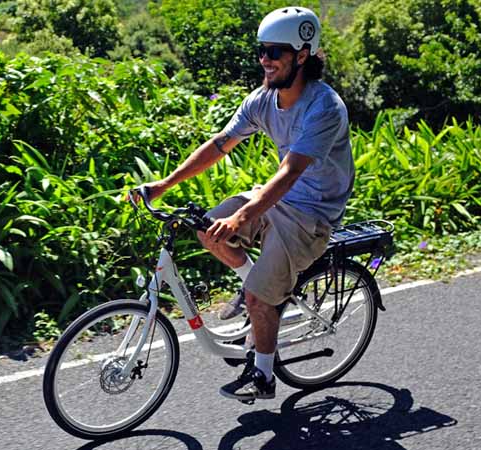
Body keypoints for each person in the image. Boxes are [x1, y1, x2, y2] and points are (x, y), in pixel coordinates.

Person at [137, 6, 354, 402]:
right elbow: (221, 144)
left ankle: (264, 374)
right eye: (261, 51)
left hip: (311, 212)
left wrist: (243, 215)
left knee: (258, 296)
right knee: (209, 230)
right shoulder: (263, 99)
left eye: (274, 52)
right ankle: (258, 287)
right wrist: (163, 185)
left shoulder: (324, 107)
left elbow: (290, 172)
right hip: (276, 199)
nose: (264, 60)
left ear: (301, 56)